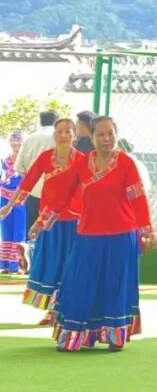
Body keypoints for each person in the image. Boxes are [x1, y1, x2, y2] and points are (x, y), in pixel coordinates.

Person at [39, 116, 157, 352]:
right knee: (80, 282)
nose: (106, 139)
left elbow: (137, 197)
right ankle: (73, 337)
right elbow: (63, 194)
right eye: (101, 134)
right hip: (88, 234)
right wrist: (43, 221)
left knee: (115, 285)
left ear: (116, 134)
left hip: (121, 235)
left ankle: (115, 336)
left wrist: (147, 229)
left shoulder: (126, 163)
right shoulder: (83, 164)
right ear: (91, 137)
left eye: (110, 134)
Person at [0, 119, 85, 325]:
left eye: (68, 131)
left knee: (71, 266)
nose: (63, 135)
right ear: (54, 134)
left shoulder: (83, 161)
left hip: (75, 222)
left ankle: (64, 309)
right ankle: (52, 311)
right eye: (59, 131)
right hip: (49, 222)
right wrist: (9, 206)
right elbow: (27, 183)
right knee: (51, 263)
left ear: (75, 135)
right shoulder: (46, 157)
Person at [14, 110, 58, 238]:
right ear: (56, 121)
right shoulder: (59, 138)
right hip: (54, 195)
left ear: (41, 121)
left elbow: (19, 168)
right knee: (50, 234)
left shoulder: (29, 138)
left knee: (32, 233)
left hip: (32, 192)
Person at [1, 133, 27, 274]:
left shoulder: (25, 161)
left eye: (18, 143)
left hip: (21, 198)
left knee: (19, 230)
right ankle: (5, 264)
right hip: (4, 196)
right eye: (13, 143)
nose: (15, 145)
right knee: (6, 229)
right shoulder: (4, 161)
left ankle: (19, 265)